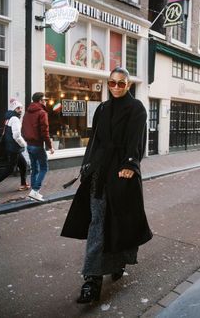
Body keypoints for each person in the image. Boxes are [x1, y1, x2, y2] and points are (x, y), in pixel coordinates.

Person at [61, 67, 153, 303]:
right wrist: (86, 166)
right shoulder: (102, 108)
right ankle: (92, 280)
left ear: (128, 85)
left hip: (122, 174)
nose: (115, 87)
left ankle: (119, 261)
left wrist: (130, 165)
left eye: (121, 83)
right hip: (99, 174)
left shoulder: (137, 108)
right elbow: (94, 141)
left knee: (122, 223)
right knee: (97, 225)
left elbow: (137, 140)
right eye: (111, 83)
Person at [0, 99, 29, 199]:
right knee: (10, 169)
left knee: (23, 164)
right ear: (14, 109)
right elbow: (16, 136)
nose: (20, 110)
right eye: (18, 108)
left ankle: (23, 183)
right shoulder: (15, 119)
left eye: (21, 108)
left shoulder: (9, 117)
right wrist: (24, 144)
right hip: (14, 148)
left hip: (11, 146)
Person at [22, 92, 54, 201]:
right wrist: (50, 146)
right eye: (44, 100)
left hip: (29, 146)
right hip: (37, 145)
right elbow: (45, 132)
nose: (45, 101)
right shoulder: (42, 113)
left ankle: (33, 193)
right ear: (40, 101)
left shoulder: (27, 113)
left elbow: (23, 129)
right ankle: (35, 191)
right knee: (44, 168)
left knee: (34, 169)